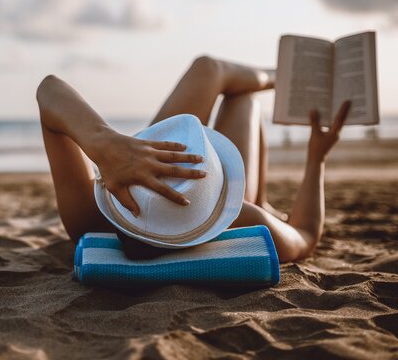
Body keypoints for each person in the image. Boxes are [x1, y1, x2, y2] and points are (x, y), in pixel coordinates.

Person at [36, 56, 350, 263]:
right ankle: (283, 78)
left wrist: (105, 143)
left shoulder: (90, 219)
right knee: (243, 99)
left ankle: (281, 77)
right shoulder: (246, 221)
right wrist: (317, 157)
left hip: (137, 176)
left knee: (207, 69)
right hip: (243, 208)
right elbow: (306, 234)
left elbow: (49, 90)